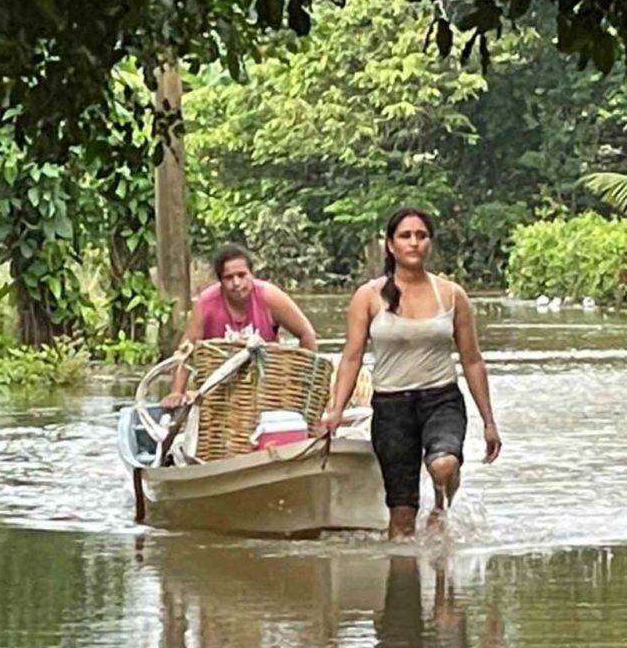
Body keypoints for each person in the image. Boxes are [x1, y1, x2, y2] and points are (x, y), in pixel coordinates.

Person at [318, 205, 502, 537]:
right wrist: (335, 410)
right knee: (401, 521)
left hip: (441, 400)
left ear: (429, 243)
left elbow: (472, 360)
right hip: (391, 408)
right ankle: (403, 581)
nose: (414, 242)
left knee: (444, 464)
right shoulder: (368, 297)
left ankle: (441, 507)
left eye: (421, 236)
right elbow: (351, 357)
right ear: (390, 245)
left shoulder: (451, 294)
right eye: (405, 236)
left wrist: (489, 421)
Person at [168, 245, 317, 401]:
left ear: (252, 275)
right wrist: (177, 392)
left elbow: (307, 334)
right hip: (219, 389)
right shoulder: (206, 304)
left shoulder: (270, 297)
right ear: (220, 281)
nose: (237, 283)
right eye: (229, 277)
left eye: (242, 275)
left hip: (265, 385)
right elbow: (186, 351)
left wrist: (304, 383)